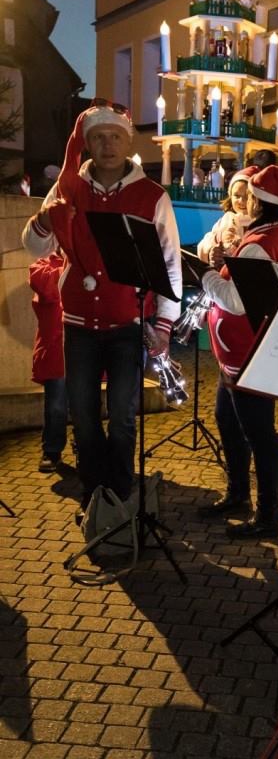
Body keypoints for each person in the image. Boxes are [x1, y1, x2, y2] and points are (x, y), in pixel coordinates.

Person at [22, 101, 182, 518]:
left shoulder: (152, 196)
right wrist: (46, 218)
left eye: (115, 137)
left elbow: (169, 264)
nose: (107, 144)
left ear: (128, 143)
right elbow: (33, 245)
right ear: (87, 144)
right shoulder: (69, 187)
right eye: (98, 137)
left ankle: (121, 496)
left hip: (128, 323)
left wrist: (164, 325)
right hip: (78, 325)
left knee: (124, 418)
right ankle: (95, 498)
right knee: (84, 416)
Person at [200, 165, 278, 538]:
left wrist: (206, 275)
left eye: (251, 196)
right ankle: (238, 492)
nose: (246, 202)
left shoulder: (258, 244)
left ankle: (268, 515)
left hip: (247, 355)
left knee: (258, 435)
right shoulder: (271, 236)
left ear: (260, 201)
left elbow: (237, 302)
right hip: (238, 356)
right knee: (227, 420)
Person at [29, 251, 68, 473]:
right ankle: (52, 451)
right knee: (56, 406)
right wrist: (72, 268)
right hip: (56, 351)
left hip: (85, 348)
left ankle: (86, 449)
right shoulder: (43, 265)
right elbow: (46, 287)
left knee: (87, 406)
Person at [196, 166, 256, 266]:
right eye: (237, 196)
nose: (241, 201)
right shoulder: (226, 220)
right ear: (230, 196)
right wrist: (211, 252)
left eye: (247, 196)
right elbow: (206, 241)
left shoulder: (258, 224)